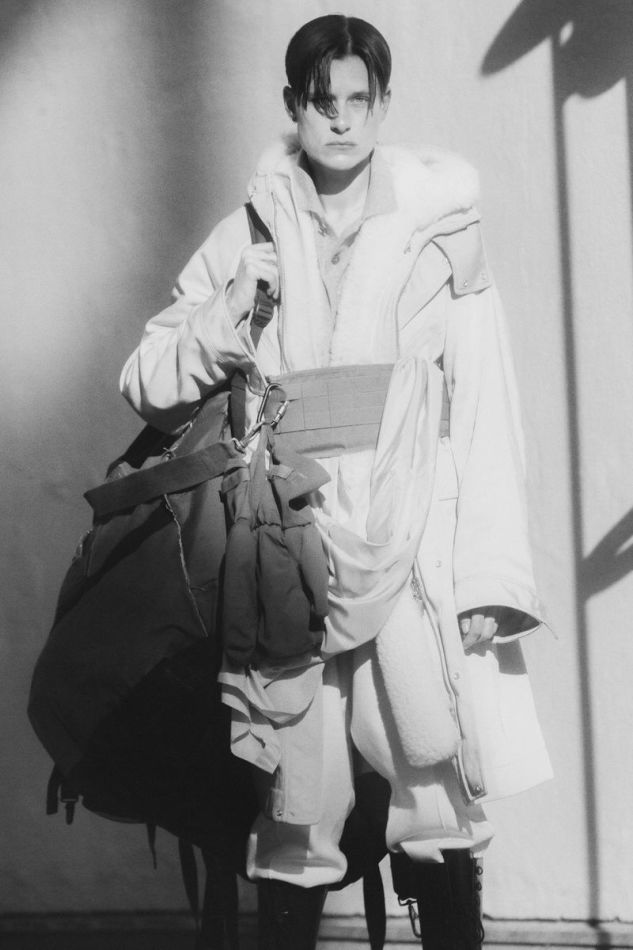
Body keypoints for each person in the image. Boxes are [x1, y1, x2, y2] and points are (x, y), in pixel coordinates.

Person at [120, 14, 552, 950]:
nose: (342, 120)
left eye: (360, 100)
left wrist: (488, 578)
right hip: (287, 546)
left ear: (384, 104)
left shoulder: (443, 231)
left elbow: (485, 404)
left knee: (434, 780)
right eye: (323, 103)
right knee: (296, 797)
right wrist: (227, 314)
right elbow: (144, 381)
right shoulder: (249, 231)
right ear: (293, 106)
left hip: (415, 539)